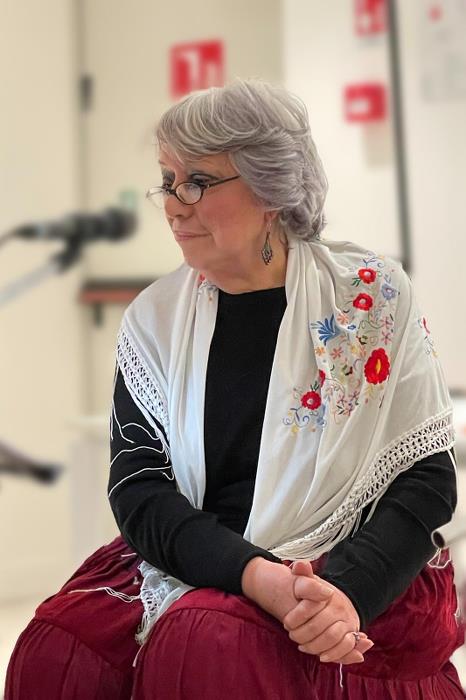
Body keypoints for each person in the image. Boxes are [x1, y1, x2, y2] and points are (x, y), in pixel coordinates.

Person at [6, 79, 464, 699]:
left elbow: (426, 478)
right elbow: (139, 489)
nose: (174, 206)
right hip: (212, 554)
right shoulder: (154, 320)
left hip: (346, 557)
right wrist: (254, 575)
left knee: (207, 639)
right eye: (167, 181)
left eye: (197, 181)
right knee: (60, 644)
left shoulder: (370, 298)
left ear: (270, 189)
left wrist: (349, 594)